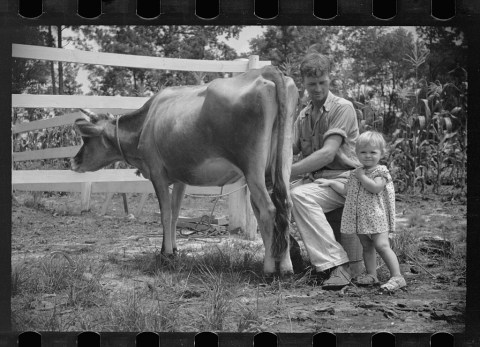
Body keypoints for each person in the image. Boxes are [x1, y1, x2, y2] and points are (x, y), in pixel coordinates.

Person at [290, 51, 361, 290]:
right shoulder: (303, 115)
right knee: (266, 193)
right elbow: (289, 148)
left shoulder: (343, 108)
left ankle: (338, 265)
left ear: (330, 79)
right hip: (316, 180)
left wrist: (285, 173)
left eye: (323, 82)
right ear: (304, 84)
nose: (318, 88)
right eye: (312, 84)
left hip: (345, 181)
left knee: (299, 195)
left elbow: (328, 154)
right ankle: (288, 256)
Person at [316, 131, 406, 291]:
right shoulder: (356, 172)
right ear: (357, 153)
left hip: (377, 217)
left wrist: (361, 176)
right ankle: (372, 275)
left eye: (373, 152)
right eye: (363, 152)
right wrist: (330, 183)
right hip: (361, 218)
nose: (368, 156)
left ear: (381, 153)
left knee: (382, 245)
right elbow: (346, 190)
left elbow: (375, 187)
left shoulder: (381, 171)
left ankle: (397, 276)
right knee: (367, 246)